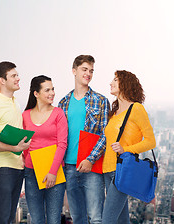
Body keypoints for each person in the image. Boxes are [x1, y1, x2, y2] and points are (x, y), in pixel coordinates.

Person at [58, 55, 110, 224]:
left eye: (91, 71)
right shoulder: (63, 102)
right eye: (84, 69)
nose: (88, 73)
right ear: (74, 71)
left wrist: (90, 159)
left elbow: (105, 134)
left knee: (96, 218)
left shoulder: (101, 101)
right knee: (78, 218)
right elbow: (59, 136)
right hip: (70, 168)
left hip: (92, 168)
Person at [102, 70, 156, 224]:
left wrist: (126, 149)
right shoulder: (114, 113)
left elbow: (151, 141)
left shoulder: (137, 109)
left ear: (125, 84)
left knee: (108, 220)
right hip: (107, 170)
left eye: (115, 80)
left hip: (122, 170)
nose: (110, 83)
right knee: (121, 220)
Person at [0, 61, 30, 224]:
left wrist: (20, 152)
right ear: (2, 80)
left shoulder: (14, 102)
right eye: (13, 76)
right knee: (1, 217)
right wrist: (14, 147)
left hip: (17, 166)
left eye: (17, 75)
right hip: (2, 168)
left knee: (9, 217)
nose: (18, 78)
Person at [23, 75, 68, 224]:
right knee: (36, 220)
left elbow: (62, 144)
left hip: (54, 172)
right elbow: (22, 143)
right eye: (47, 90)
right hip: (31, 172)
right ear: (36, 94)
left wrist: (52, 172)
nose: (52, 93)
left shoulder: (58, 114)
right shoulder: (25, 115)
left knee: (54, 220)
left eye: (53, 89)